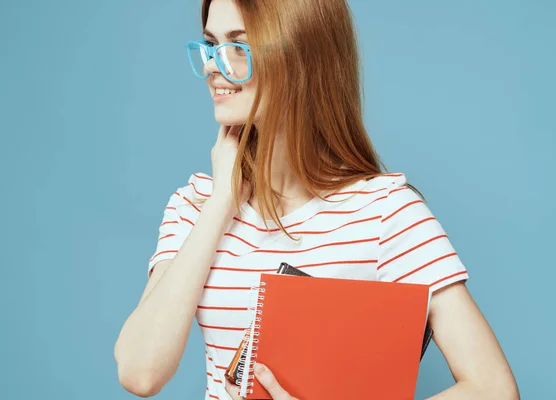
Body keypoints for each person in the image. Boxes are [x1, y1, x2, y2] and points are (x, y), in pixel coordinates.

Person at [114, 0, 520, 399]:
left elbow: (493, 389)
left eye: (239, 47)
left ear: (300, 58)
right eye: (210, 44)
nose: (211, 66)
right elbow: (140, 373)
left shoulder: (384, 211)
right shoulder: (194, 204)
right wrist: (222, 200)